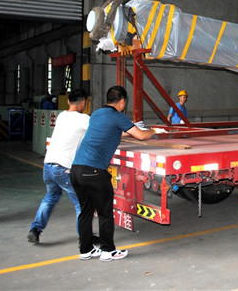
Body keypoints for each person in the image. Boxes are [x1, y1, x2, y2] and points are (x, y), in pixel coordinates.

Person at [70, 85, 166, 261]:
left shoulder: (96, 114)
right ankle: (108, 251)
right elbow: (141, 135)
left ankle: (86, 250)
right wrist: (154, 131)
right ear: (122, 102)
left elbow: (112, 132)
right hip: (94, 172)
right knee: (105, 212)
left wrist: (129, 132)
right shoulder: (117, 116)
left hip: (76, 170)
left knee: (85, 212)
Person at [28, 88, 89, 244]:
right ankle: (85, 237)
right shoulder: (83, 119)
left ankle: (35, 229)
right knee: (80, 203)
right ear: (83, 103)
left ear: (68, 101)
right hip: (63, 169)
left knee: (50, 198)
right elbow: (99, 132)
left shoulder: (61, 115)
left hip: (48, 165)